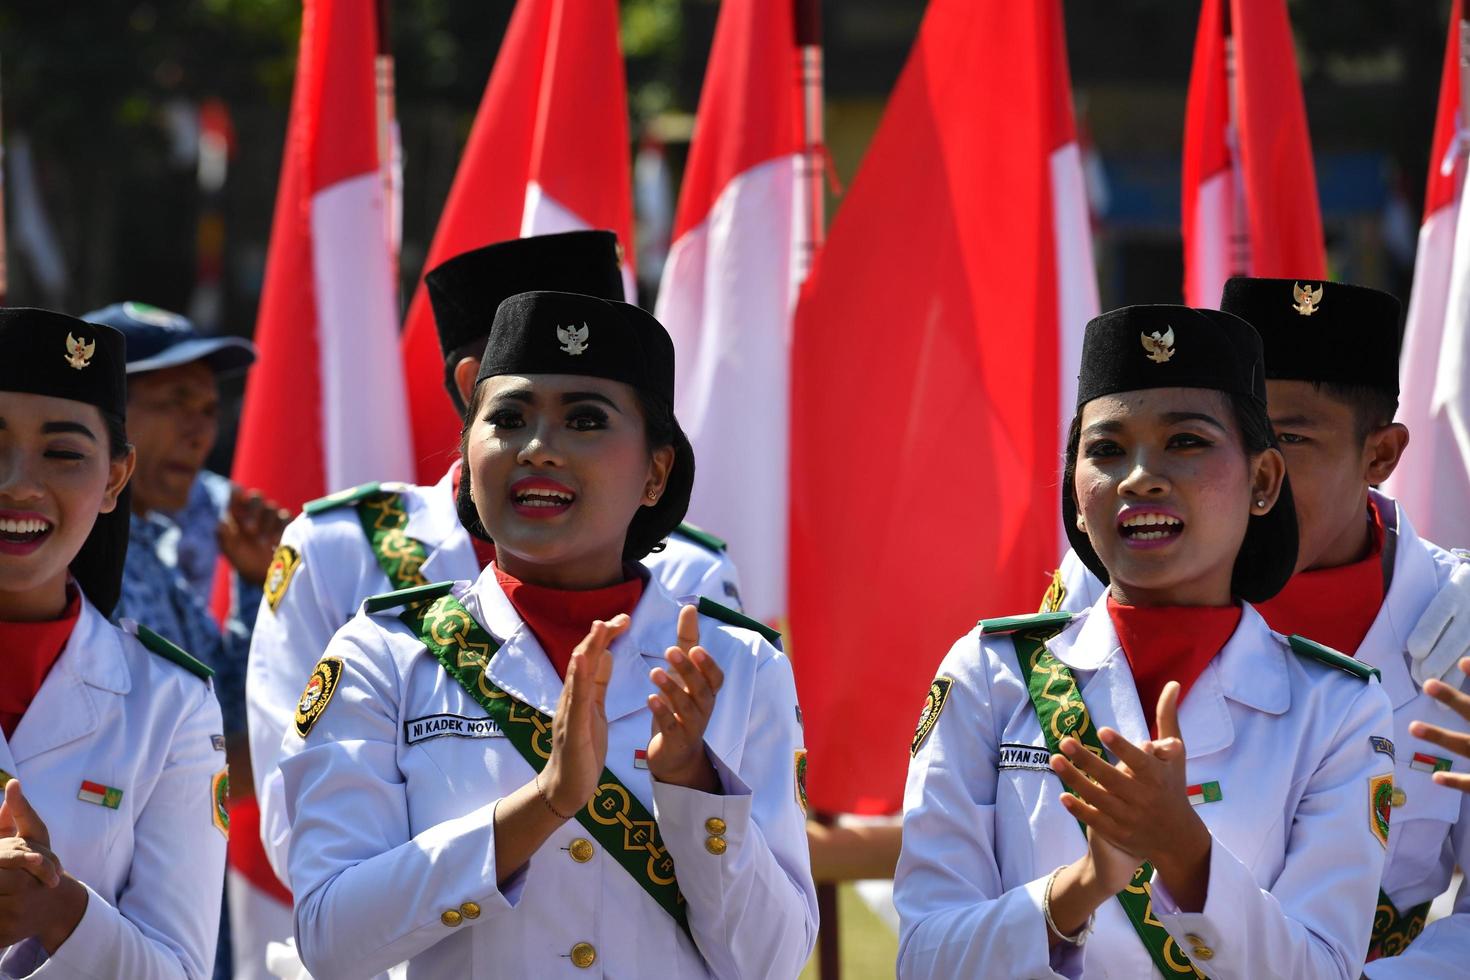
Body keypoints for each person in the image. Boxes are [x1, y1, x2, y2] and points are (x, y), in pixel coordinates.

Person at [276, 290, 815, 977]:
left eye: (585, 419)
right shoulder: (385, 654)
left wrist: (693, 784)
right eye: (506, 418)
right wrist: (545, 804)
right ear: (468, 459)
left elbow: (770, 961)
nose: (537, 448)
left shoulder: (737, 664)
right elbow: (329, 937)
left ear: (656, 472)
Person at [896, 305, 1393, 978]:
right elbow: (924, 959)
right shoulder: (990, 676)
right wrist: (1083, 885)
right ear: (1075, 493)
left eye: (1185, 442)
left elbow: (1324, 970)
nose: (1139, 477)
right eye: (1104, 449)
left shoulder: (1336, 709)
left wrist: (1188, 857)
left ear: (1264, 481)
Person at [246, 231, 743, 893]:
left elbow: (745, 862)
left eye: (591, 413)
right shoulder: (342, 548)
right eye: (520, 402)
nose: (548, 445)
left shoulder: (687, 575)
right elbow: (299, 820)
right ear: (472, 385)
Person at [1042, 278, 1470, 969]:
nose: (1248, 471)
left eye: (1289, 439)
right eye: (1217, 438)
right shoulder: (1099, 587)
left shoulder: (1459, 624)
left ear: (1381, 456)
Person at [0, 307, 226, 977]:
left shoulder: (172, 704)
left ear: (115, 479)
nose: (18, 482)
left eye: (64, 453)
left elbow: (180, 969)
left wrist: (58, 909)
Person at [84, 300, 288, 980]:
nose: (200, 433)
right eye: (174, 403)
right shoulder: (65, 561)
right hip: (93, 915)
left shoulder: (152, 547)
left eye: (207, 409)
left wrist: (260, 585)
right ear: (105, 418)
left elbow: (225, 709)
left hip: (175, 908)